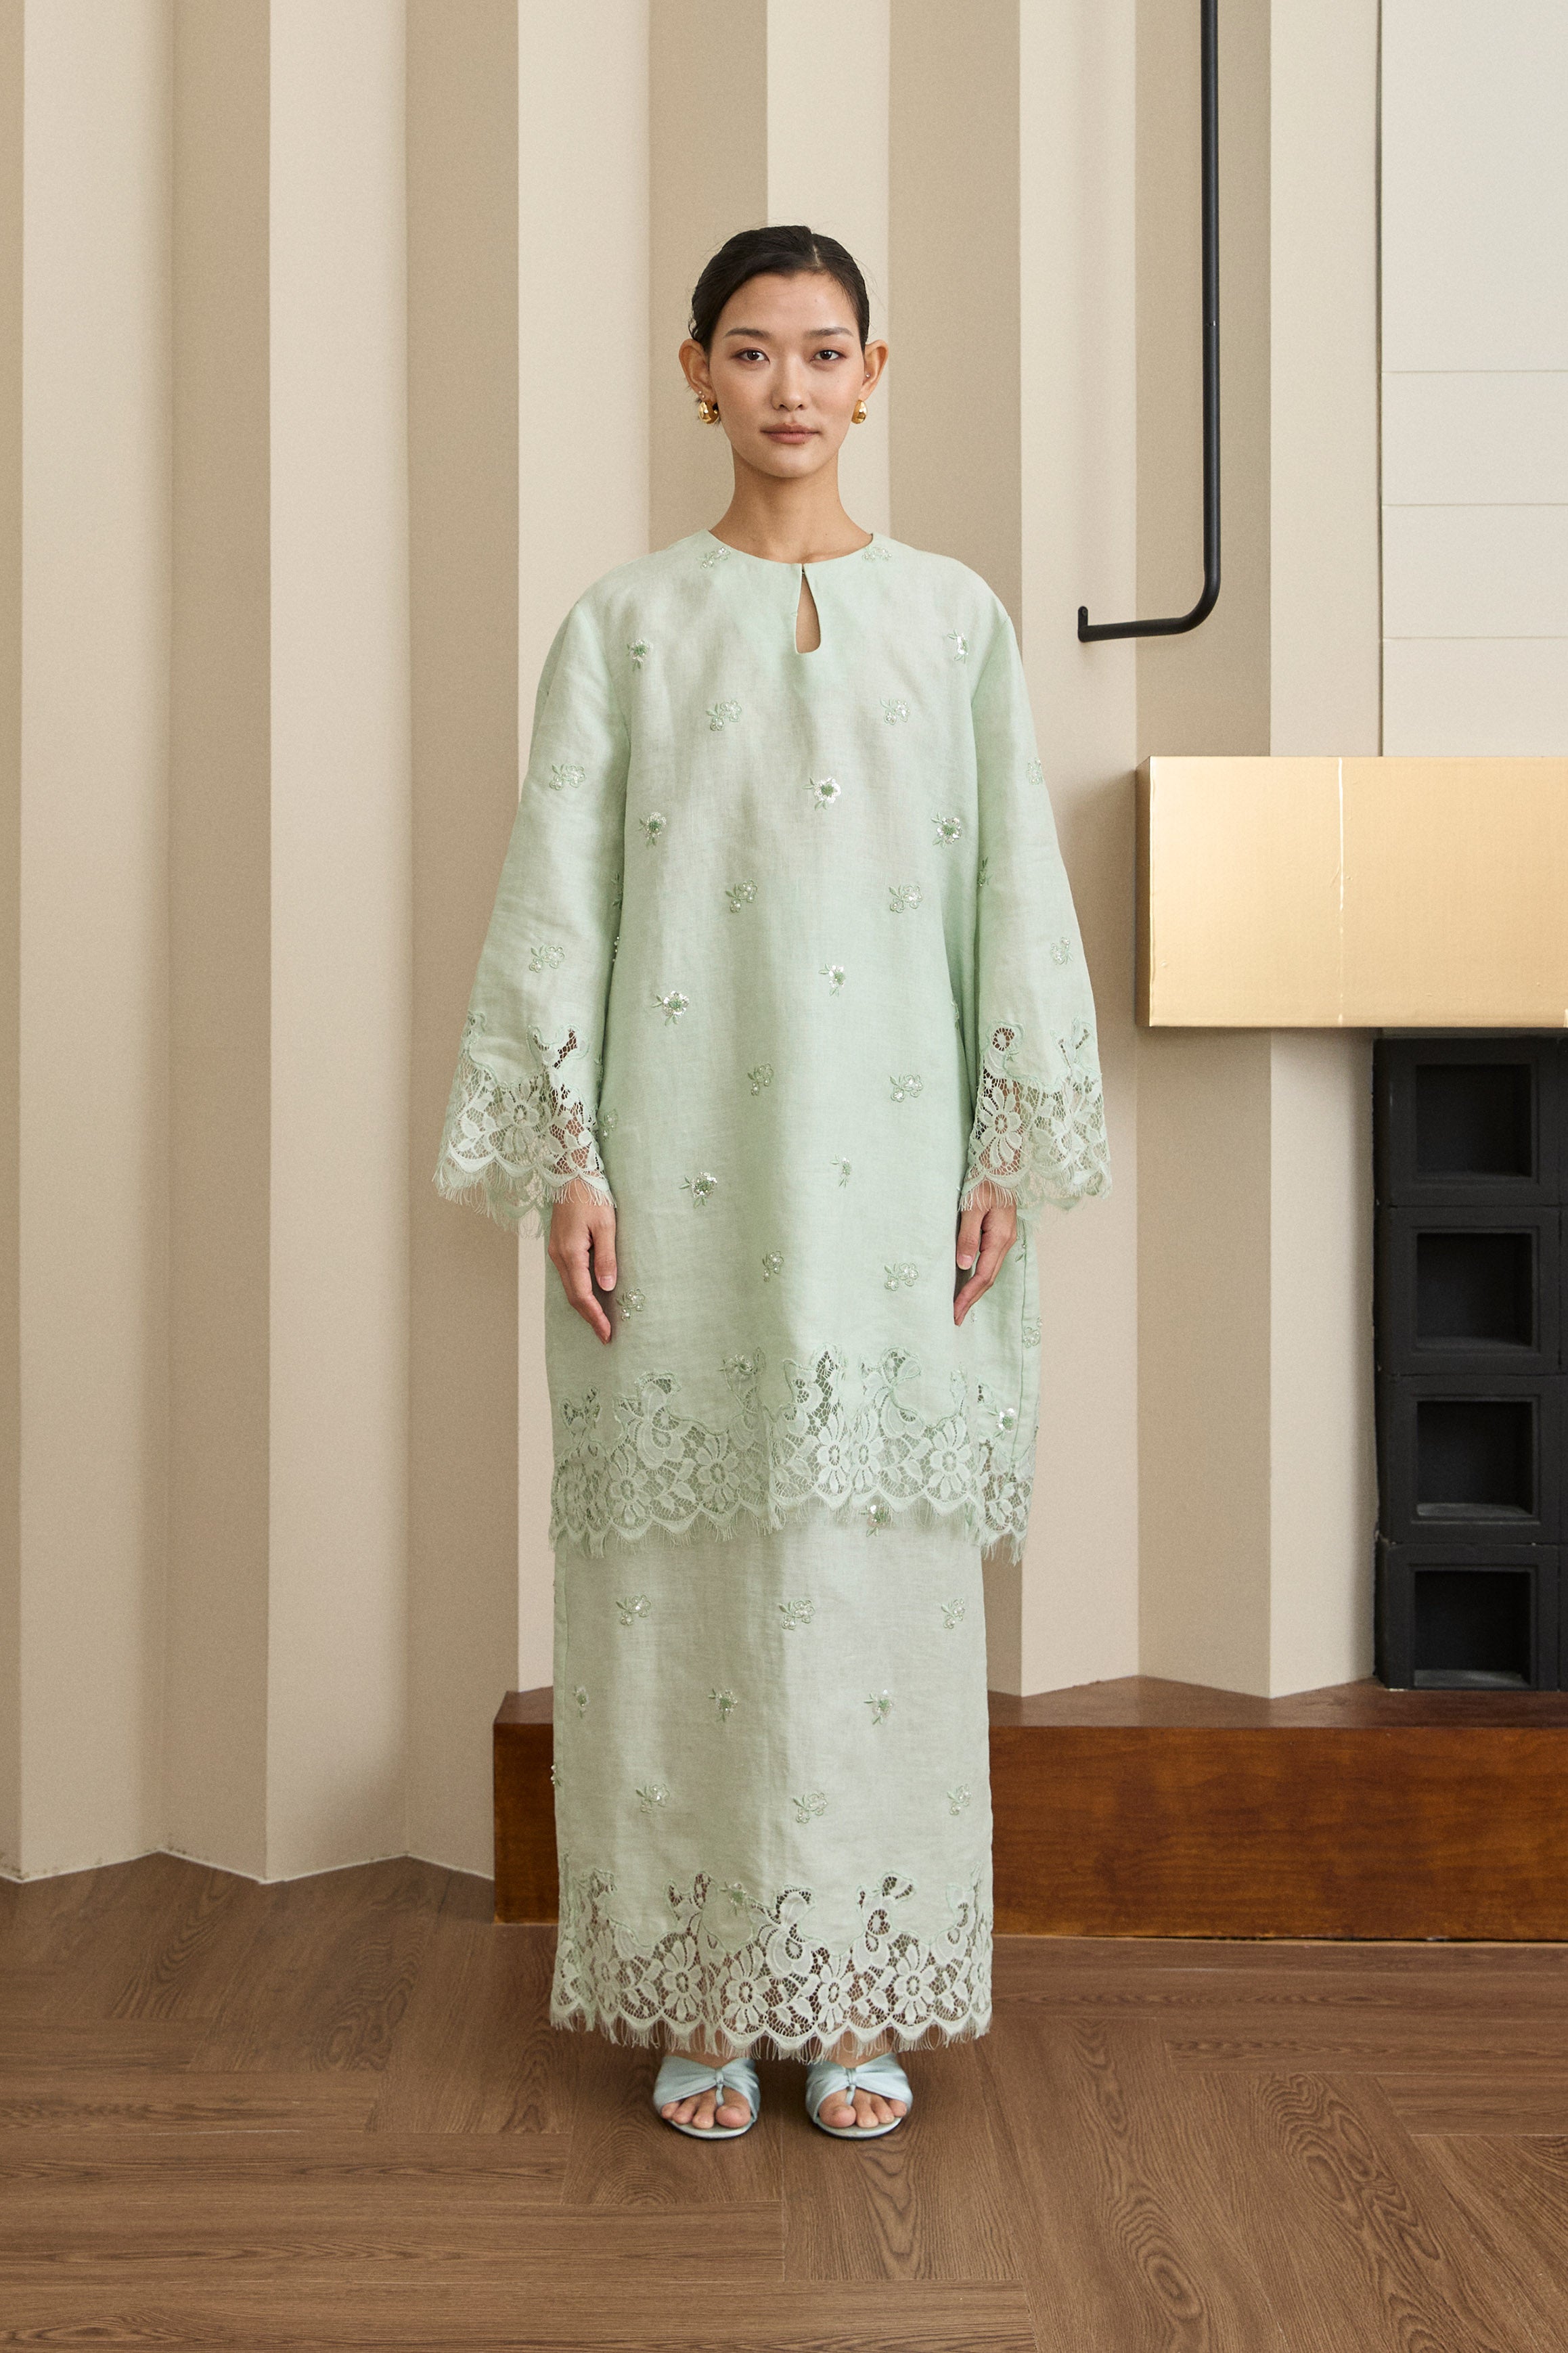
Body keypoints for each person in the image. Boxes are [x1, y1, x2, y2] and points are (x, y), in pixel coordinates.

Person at [434, 224, 1110, 2141]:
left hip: (893, 1186)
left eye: (824, 351)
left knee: (879, 1591)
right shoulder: (627, 626)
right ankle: (708, 1996)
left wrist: (1002, 1147)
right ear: (696, 375)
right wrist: (572, 1160)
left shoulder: (955, 623)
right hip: (685, 1174)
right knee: (684, 1590)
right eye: (752, 350)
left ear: (874, 377)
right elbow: (558, 897)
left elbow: (1014, 894)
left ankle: (862, 1994)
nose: (790, 386)